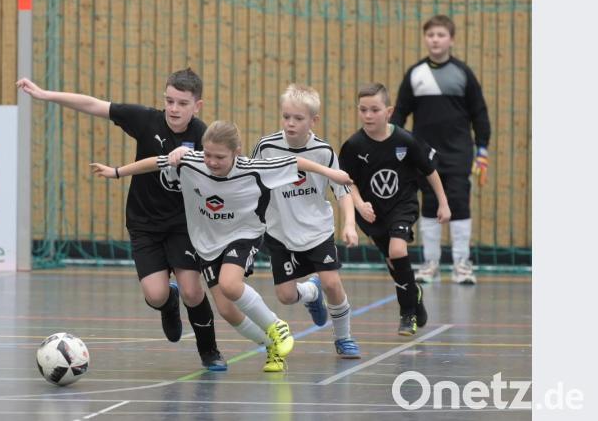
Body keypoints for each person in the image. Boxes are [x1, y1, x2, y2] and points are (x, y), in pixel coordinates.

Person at [91, 120, 354, 372]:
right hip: (207, 243)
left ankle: (276, 326)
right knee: (227, 310)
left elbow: (295, 161)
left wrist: (331, 172)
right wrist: (116, 172)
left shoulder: (254, 169)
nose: (213, 162)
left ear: (236, 153)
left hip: (243, 234)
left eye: (220, 157)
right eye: (208, 155)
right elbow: (153, 163)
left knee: (230, 284)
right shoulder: (192, 162)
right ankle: (271, 345)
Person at [16, 69, 227, 371]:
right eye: (169, 101)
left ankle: (210, 351)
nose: (174, 109)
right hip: (144, 223)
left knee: (194, 291)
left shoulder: (203, 135)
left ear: (198, 106)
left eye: (182, 103)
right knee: (155, 295)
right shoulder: (146, 120)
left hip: (184, 225)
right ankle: (168, 304)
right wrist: (45, 94)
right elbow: (93, 104)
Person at [250, 84, 361, 362]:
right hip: (280, 232)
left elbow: (342, 190)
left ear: (314, 120)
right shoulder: (266, 147)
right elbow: (248, 183)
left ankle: (343, 337)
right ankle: (311, 293)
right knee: (286, 296)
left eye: (298, 118)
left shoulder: (324, 151)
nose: (290, 123)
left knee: (333, 283)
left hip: (317, 230)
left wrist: (349, 224)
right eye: (286, 116)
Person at [339, 83, 450, 336]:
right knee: (393, 263)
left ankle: (406, 314)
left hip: (403, 205)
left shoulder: (405, 140)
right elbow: (347, 182)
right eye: (363, 110)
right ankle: (415, 293)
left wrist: (443, 203)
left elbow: (429, 171)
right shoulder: (354, 146)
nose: (368, 115)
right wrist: (359, 204)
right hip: (373, 213)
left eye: (375, 110)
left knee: (397, 250)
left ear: (388, 111)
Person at [391, 14, 491, 285]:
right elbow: (399, 112)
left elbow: (479, 113)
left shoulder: (463, 73)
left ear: (451, 39)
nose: (435, 39)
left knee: (458, 203)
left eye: (441, 35)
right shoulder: (415, 74)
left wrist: (482, 149)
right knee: (430, 204)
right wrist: (391, 141)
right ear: (425, 39)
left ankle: (462, 265)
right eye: (431, 35)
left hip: (459, 153)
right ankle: (429, 264)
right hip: (423, 152)